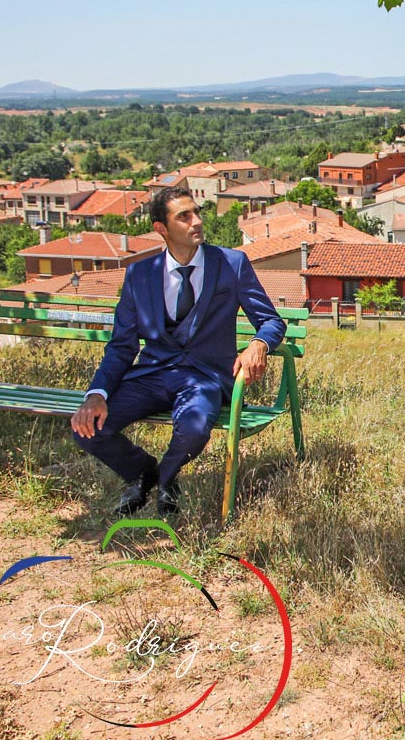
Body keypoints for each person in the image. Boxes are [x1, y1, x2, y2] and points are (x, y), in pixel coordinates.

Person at [70, 187, 286, 518]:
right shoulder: (140, 275)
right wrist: (97, 394)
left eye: (197, 212)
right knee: (86, 428)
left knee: (193, 430)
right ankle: (142, 472)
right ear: (161, 228)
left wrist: (258, 344)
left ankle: (167, 477)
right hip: (152, 375)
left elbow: (271, 320)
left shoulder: (231, 263)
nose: (196, 221)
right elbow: (122, 346)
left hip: (206, 377)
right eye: (184, 216)